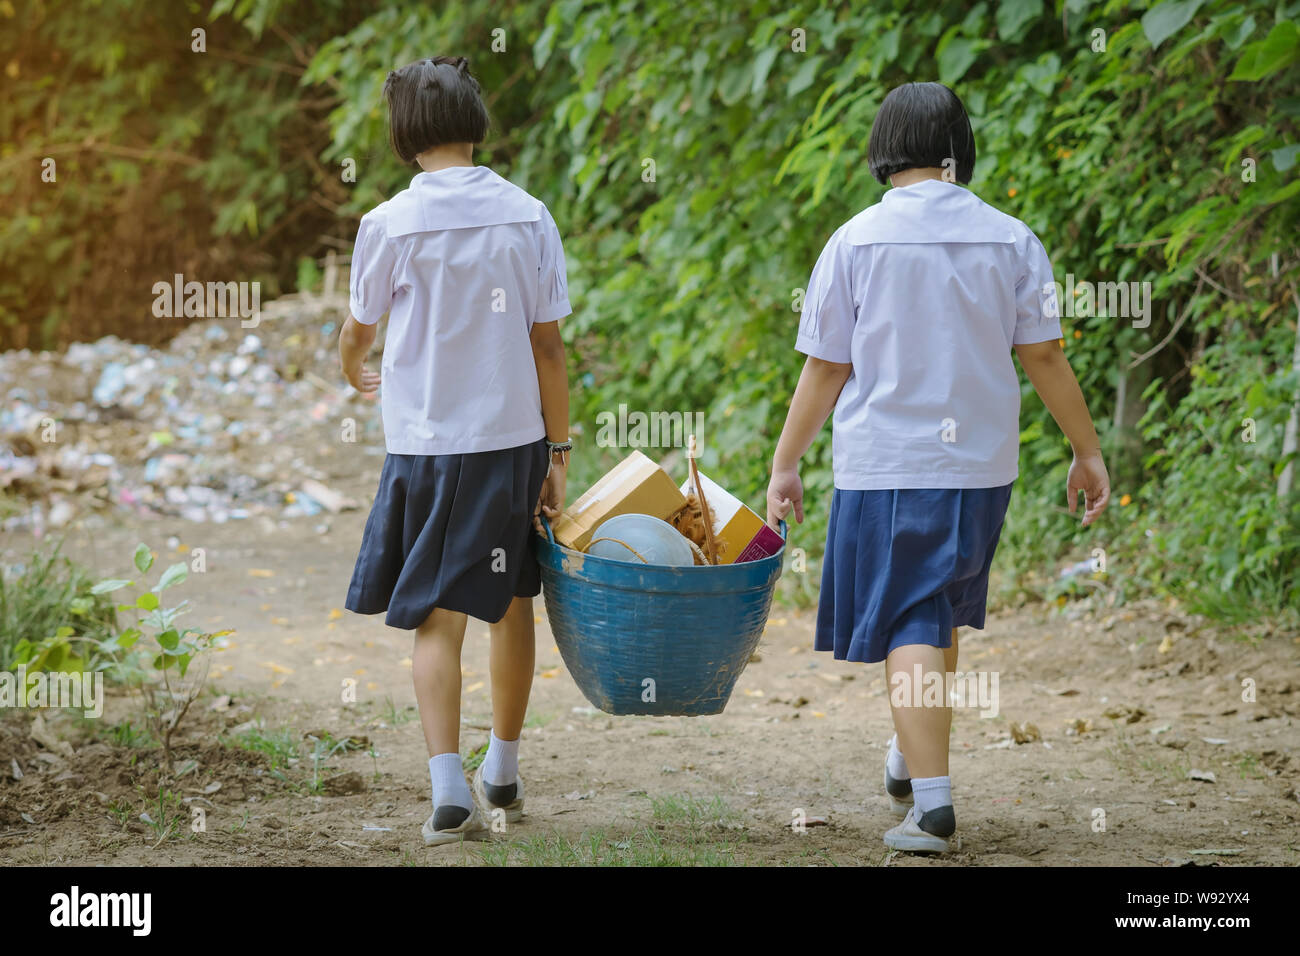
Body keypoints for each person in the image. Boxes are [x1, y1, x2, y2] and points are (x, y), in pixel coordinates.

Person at [766, 82, 1110, 853]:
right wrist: (1086, 450)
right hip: (983, 467)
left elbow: (825, 370)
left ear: (883, 148)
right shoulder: (1011, 238)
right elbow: (1045, 354)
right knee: (940, 605)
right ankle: (910, 752)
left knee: (911, 617)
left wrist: (786, 463)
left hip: (889, 465)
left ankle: (933, 807)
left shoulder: (854, 241)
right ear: (961, 148)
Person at [339, 56, 573, 846]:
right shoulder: (528, 215)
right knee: (511, 605)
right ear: (476, 122)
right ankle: (501, 767)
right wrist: (559, 448)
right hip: (513, 444)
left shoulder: (388, 224)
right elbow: (549, 351)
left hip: (428, 449)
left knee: (436, 620)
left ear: (405, 134)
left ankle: (449, 792)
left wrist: (351, 367)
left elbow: (359, 329)